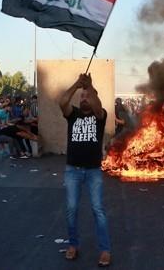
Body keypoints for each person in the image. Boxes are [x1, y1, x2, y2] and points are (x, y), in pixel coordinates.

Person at [59, 73, 111, 267]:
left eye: (87, 96)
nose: (83, 98)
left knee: (98, 209)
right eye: (81, 96)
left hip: (93, 171)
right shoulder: (72, 114)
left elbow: (98, 107)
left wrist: (90, 87)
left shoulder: (100, 116)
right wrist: (77, 85)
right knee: (71, 209)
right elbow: (61, 101)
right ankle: (73, 245)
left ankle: (105, 250)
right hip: (72, 170)